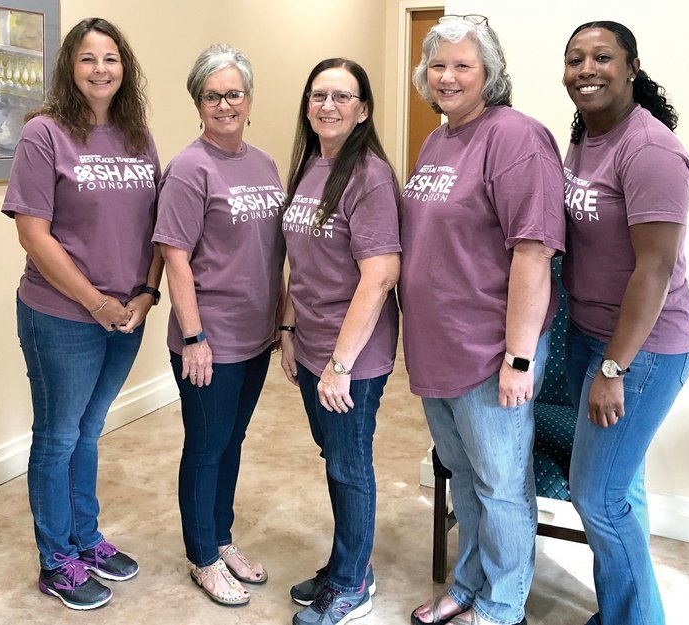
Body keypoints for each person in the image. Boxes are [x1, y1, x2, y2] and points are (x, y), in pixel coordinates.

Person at [400, 15, 566, 625]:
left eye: (462, 65)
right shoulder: (437, 140)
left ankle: (502, 606)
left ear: (489, 73)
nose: (447, 77)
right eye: (437, 65)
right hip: (437, 348)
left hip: (489, 350)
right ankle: (468, 584)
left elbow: (534, 250)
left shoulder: (518, 137)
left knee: (500, 486)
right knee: (464, 477)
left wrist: (519, 357)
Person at [2, 18, 162, 610]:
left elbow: (157, 229)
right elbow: (34, 236)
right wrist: (94, 303)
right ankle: (55, 560)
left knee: (89, 431)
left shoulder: (138, 136)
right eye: (89, 58)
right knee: (58, 436)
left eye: (112, 58)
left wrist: (145, 295)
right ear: (70, 67)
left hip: (126, 315)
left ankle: (85, 538)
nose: (102, 69)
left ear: (125, 68)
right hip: (61, 317)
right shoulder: (45, 135)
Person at [562, 21, 689, 625]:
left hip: (641, 350)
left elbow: (655, 270)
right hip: (590, 335)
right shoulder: (587, 137)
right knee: (621, 491)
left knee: (598, 497)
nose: (586, 69)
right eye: (575, 59)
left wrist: (613, 368)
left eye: (602, 57)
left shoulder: (650, 150)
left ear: (632, 67)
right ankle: (628, 612)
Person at [152, 43, 285, 608]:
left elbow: (272, 250)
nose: (225, 104)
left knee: (232, 442)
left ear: (249, 99)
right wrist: (194, 337)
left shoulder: (265, 163)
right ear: (198, 103)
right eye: (213, 95)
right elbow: (174, 255)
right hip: (210, 338)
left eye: (234, 93)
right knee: (206, 447)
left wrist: (282, 323)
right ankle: (202, 556)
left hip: (256, 336)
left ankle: (221, 537)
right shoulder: (188, 168)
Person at [279, 58, 400, 625]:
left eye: (343, 96)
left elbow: (380, 274)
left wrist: (340, 364)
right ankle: (348, 563)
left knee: (350, 463)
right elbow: (297, 262)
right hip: (311, 343)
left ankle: (353, 584)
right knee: (335, 457)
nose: (329, 105)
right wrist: (287, 330)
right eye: (319, 95)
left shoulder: (369, 175)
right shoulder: (309, 167)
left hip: (351, 355)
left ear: (363, 109)